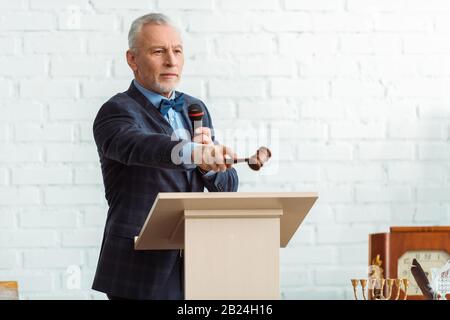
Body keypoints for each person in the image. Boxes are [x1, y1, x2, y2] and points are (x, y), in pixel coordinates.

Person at [91, 13, 239, 300]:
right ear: (132, 60)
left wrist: (210, 167)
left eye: (177, 51)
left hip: (200, 258)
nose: (171, 60)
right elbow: (139, 146)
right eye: (158, 51)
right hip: (139, 264)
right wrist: (195, 152)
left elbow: (228, 185)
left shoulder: (195, 107)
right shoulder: (116, 111)